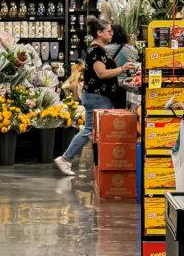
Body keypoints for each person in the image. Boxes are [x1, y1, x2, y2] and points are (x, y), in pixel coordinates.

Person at [53, 17, 137, 176]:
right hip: (97, 96)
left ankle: (92, 161)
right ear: (99, 33)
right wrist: (122, 68)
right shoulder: (96, 50)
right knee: (89, 130)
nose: (111, 34)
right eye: (108, 31)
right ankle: (65, 158)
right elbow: (101, 73)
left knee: (93, 130)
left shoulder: (99, 49)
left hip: (98, 96)